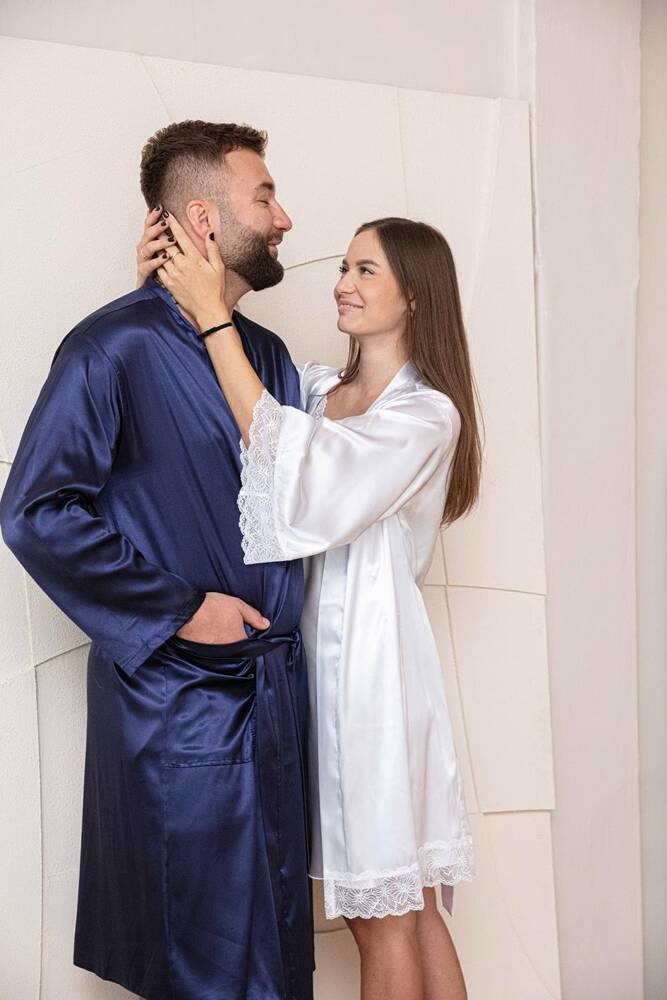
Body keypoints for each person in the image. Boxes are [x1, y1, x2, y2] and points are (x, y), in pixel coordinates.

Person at [0, 121, 315, 1000]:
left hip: (273, 700)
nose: (284, 217)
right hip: (180, 704)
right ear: (204, 220)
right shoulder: (113, 345)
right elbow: (35, 512)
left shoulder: (266, 356)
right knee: (200, 962)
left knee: (275, 960)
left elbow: (303, 499)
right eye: (265, 196)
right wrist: (181, 608)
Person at [134, 206, 481, 1000]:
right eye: (343, 267)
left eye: (365, 270)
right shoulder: (318, 388)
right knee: (410, 908)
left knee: (384, 916)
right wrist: (165, 289)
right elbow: (228, 398)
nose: (342, 283)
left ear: (414, 294)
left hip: (371, 673)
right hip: (325, 666)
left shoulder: (424, 415)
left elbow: (310, 480)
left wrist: (213, 313)